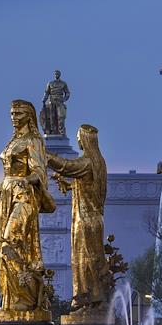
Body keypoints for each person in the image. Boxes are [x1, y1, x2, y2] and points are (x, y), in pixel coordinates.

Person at [0, 99, 56, 315]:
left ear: (29, 116)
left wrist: (25, 180)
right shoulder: (13, 141)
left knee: (10, 243)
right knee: (11, 247)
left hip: (24, 199)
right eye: (12, 113)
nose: (14, 117)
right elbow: (7, 179)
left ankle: (27, 296)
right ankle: (13, 300)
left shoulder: (33, 140)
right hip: (6, 197)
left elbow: (39, 171)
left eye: (19, 113)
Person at [49, 124, 112, 314]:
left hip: (85, 221)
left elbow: (66, 166)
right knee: (93, 258)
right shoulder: (98, 162)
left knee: (84, 259)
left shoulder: (86, 162)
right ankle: (95, 300)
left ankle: (87, 299)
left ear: (85, 139)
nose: (77, 139)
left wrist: (44, 155)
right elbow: (86, 187)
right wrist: (68, 185)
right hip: (95, 220)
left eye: (79, 136)